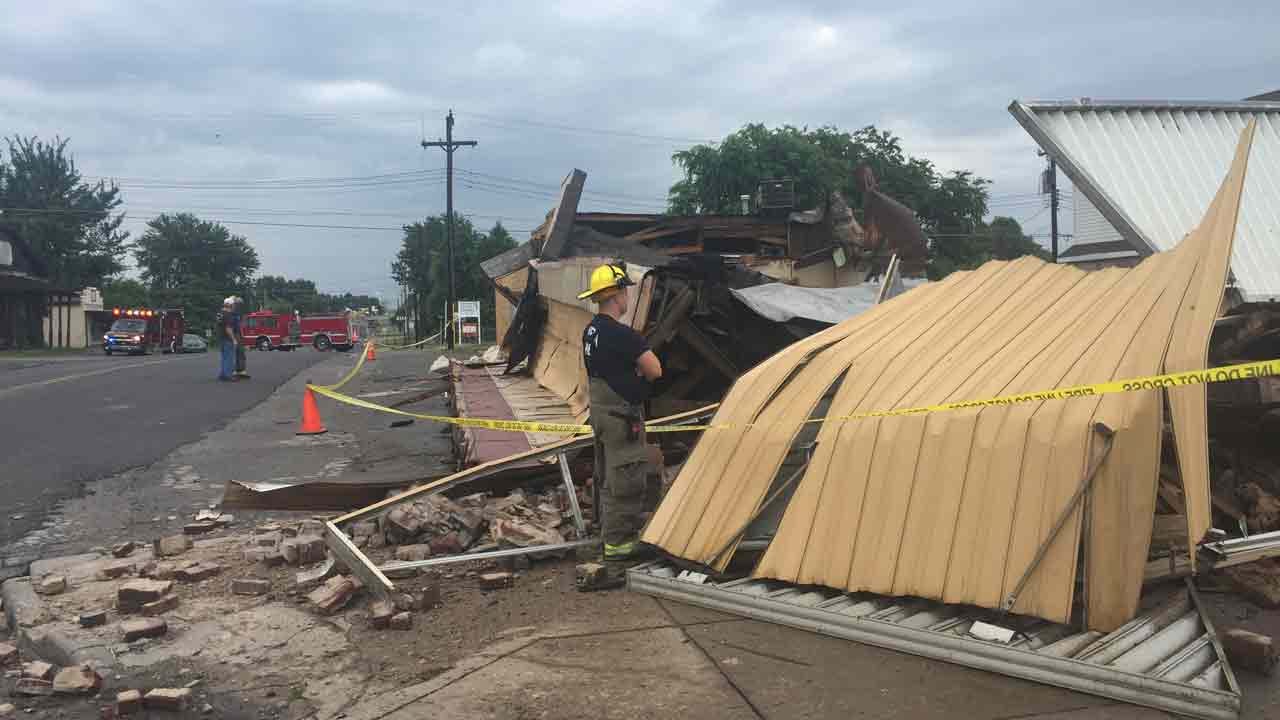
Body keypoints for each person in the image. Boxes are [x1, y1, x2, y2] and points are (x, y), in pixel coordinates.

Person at [578, 263, 663, 563]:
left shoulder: (591, 331)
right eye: (625, 290)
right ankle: (619, 545)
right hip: (621, 420)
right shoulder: (622, 335)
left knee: (607, 477)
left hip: (601, 416)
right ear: (616, 295)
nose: (628, 296)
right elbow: (655, 369)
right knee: (626, 480)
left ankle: (607, 533)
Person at [217, 297, 237, 381]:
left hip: (221, 338)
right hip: (227, 339)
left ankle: (223, 374)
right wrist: (234, 339)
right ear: (229, 305)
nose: (234, 306)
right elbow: (228, 328)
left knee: (224, 357)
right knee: (229, 357)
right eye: (233, 305)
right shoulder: (228, 315)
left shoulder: (220, 314)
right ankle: (228, 375)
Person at [231, 296, 250, 379]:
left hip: (238, 334)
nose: (239, 306)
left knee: (241, 352)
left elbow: (241, 324)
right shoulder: (231, 313)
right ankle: (233, 371)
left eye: (240, 304)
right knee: (234, 353)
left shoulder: (239, 314)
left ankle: (241, 371)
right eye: (238, 304)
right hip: (233, 334)